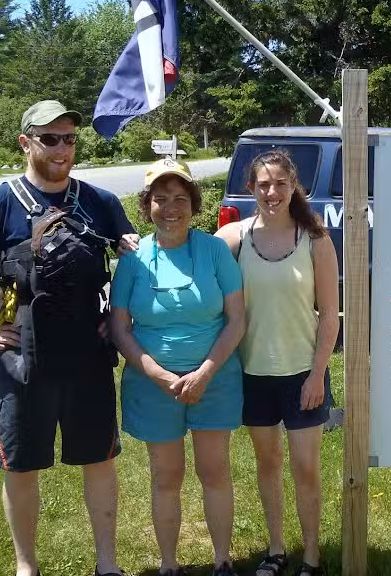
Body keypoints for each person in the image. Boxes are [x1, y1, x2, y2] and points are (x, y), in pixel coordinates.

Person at [0, 99, 137, 576]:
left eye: (69, 139)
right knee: (20, 466)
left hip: (88, 359)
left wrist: (124, 321)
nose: (62, 149)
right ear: (26, 142)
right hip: (23, 360)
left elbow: (136, 265)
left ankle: (107, 564)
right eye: (50, 139)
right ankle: (26, 567)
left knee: (99, 461)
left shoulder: (99, 202)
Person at [109, 157, 245, 576]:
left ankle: (222, 560)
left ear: (194, 204)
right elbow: (120, 328)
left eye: (181, 198)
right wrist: (159, 374)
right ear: (146, 204)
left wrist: (205, 372)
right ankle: (169, 565)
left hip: (216, 379)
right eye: (161, 198)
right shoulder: (132, 259)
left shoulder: (215, 250)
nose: (171, 208)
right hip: (153, 386)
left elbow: (237, 319)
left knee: (215, 470)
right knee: (166, 476)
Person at [216, 150, 339, 576]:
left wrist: (318, 374)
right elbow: (189, 265)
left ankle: (311, 555)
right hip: (252, 375)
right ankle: (275, 549)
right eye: (263, 185)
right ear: (251, 189)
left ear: (294, 187)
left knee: (305, 468)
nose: (272, 192)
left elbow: (330, 315)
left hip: (303, 375)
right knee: (267, 465)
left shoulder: (315, 239)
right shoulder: (233, 239)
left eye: (280, 184)